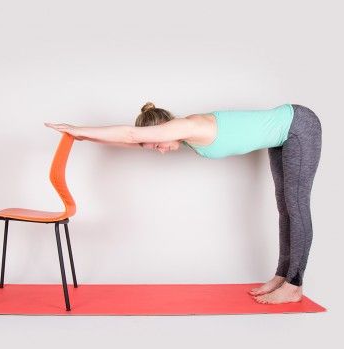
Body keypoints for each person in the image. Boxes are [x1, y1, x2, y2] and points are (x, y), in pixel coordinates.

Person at [45, 101, 322, 304]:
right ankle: (282, 275)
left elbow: (132, 135)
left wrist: (76, 127)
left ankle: (294, 285)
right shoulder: (184, 135)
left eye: (157, 144)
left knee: (295, 207)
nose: (160, 151)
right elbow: (132, 142)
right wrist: (85, 137)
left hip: (298, 127)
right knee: (285, 209)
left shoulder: (187, 126)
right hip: (282, 137)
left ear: (162, 130)